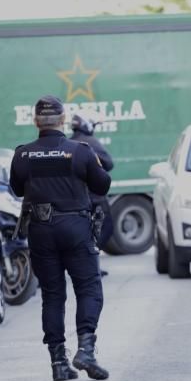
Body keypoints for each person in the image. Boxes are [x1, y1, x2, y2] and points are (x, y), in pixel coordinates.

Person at [10, 96, 112, 381]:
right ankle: (86, 351)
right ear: (63, 120)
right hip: (76, 226)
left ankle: (58, 363)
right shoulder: (80, 151)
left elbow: (17, 189)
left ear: (35, 121)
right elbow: (102, 184)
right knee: (89, 288)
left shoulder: (22, 154)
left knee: (52, 296)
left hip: (41, 230)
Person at [69, 110, 114, 276]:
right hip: (94, 196)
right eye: (93, 125)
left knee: (85, 232)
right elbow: (109, 163)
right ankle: (88, 262)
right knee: (106, 228)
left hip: (75, 197)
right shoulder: (90, 142)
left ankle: (90, 264)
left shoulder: (69, 142)